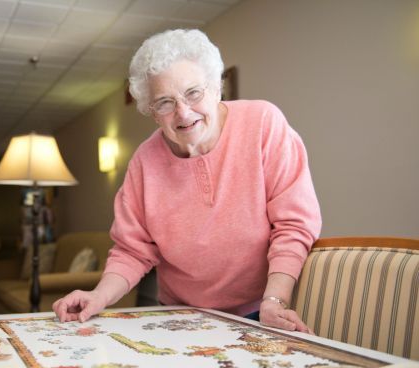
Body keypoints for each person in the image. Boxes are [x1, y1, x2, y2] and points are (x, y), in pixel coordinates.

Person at [53, 29, 321, 332]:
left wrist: (275, 300)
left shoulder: (263, 124)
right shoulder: (145, 162)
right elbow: (132, 250)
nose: (183, 112)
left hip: (261, 311)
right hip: (180, 317)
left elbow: (293, 225)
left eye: (193, 93)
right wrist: (98, 296)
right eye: (165, 102)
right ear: (152, 113)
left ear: (216, 87)